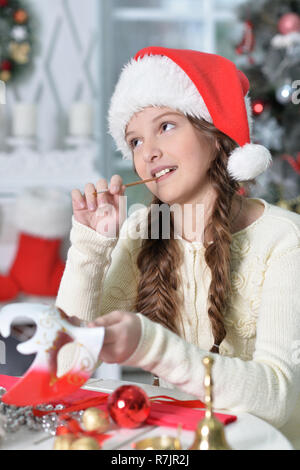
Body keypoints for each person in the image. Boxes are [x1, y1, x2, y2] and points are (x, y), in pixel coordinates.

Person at [56, 47, 300, 433]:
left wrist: (150, 345)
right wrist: (89, 246)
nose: (148, 153)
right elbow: (65, 368)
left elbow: (277, 400)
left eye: (166, 126)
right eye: (134, 141)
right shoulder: (142, 231)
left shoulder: (284, 239)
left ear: (216, 135)